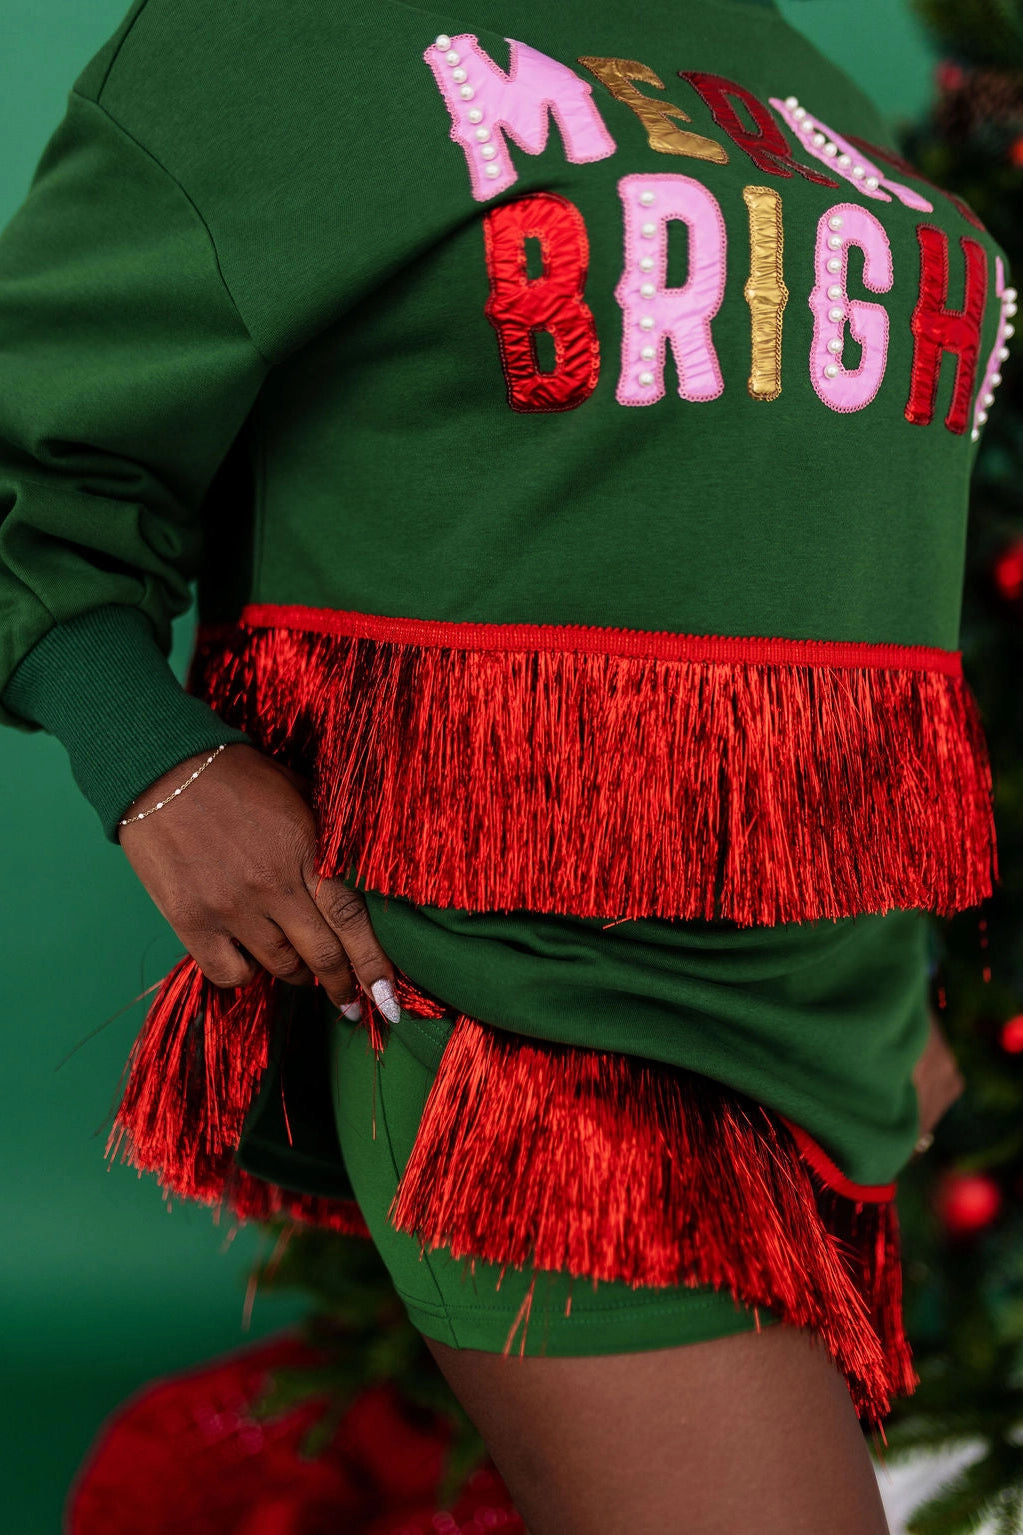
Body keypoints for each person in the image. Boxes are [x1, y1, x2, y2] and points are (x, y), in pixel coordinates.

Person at [0, 1, 1007, 1529]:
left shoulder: (778, 54)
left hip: (822, 1023)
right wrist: (156, 768)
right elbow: (34, 446)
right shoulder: (261, 41)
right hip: (519, 1020)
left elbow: (804, 546)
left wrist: (879, 956)